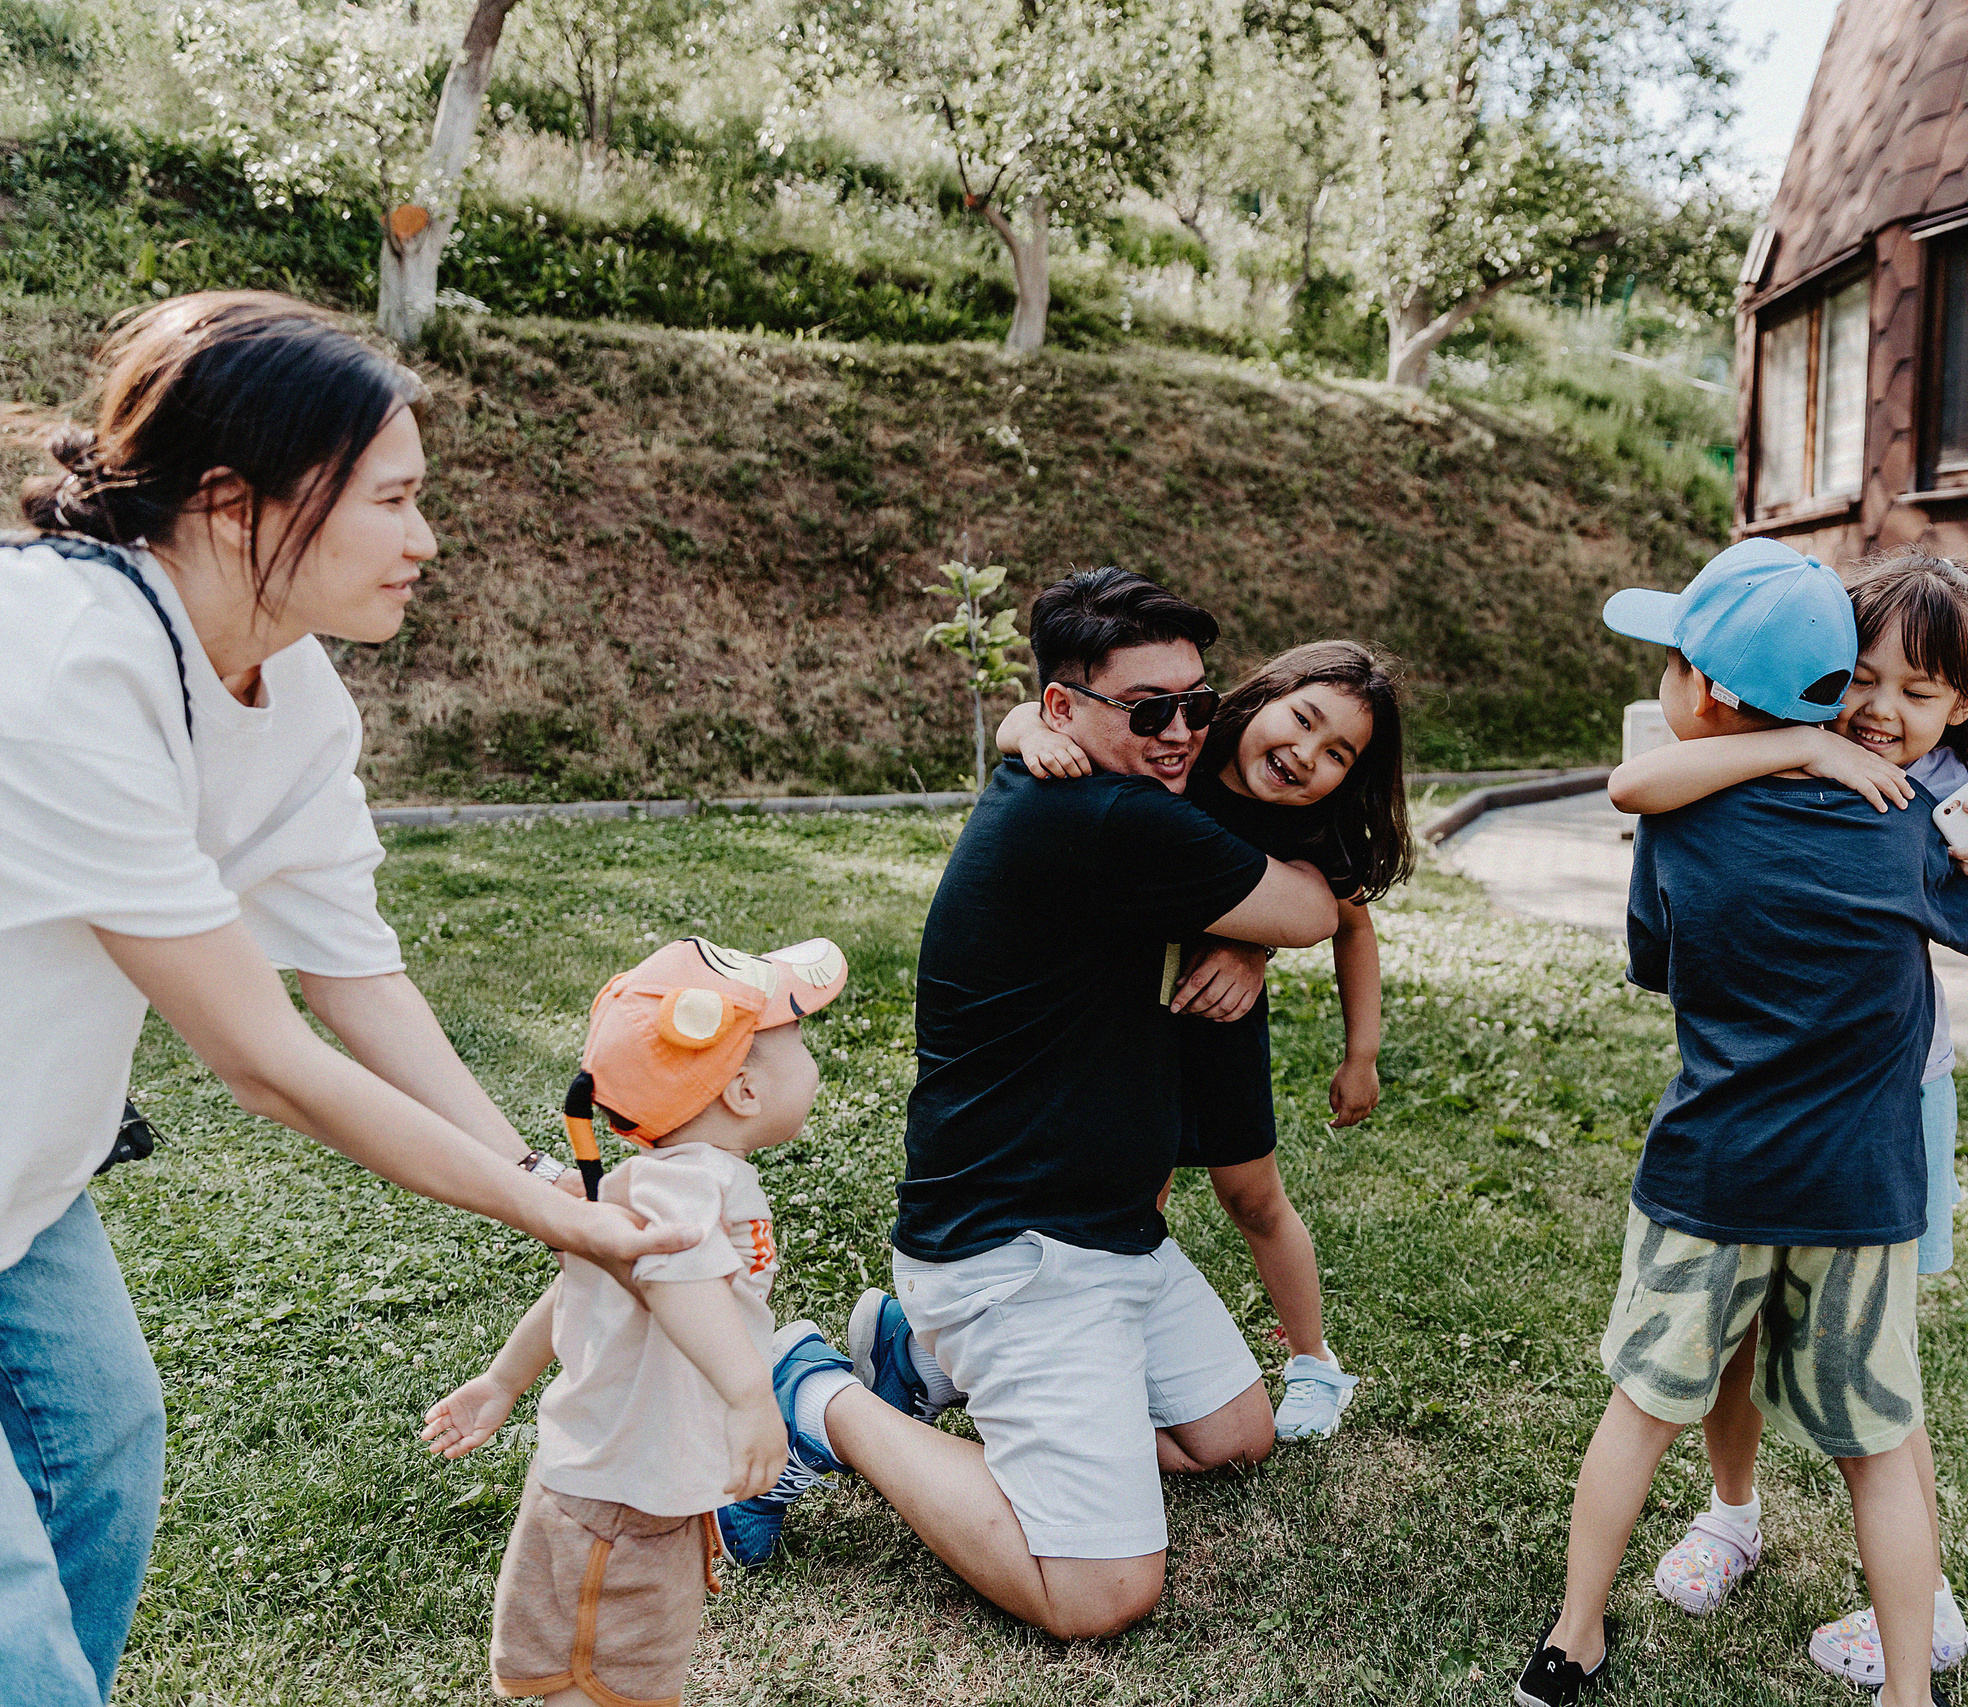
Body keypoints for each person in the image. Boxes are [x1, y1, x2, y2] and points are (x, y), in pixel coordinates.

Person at [0, 291, 691, 1707]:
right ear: (233, 501)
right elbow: (264, 1056)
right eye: (394, 499)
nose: (427, 540)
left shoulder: (292, 687)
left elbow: (352, 976)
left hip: (24, 1184)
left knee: (101, 1451)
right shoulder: (71, 659)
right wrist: (554, 1218)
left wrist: (535, 1165)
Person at [717, 568, 1340, 1637]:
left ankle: (920, 1352)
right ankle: (815, 1391)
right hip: (1018, 1249)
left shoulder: (1095, 789)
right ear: (1064, 711)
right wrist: (1251, 927)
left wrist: (1234, 932)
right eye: (1150, 711)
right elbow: (1311, 905)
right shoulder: (1106, 819)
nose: (1183, 730)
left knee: (1232, 1439)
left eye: (1199, 703)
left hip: (1108, 1234)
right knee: (1099, 1593)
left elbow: (1277, 908)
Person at [1512, 539, 1968, 1707]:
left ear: (1705, 691)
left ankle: (1572, 1640)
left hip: (1712, 1171)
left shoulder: (1678, 827)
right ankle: (1906, 1693)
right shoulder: (1915, 827)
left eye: (1666, 668)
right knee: (1880, 1443)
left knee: (1643, 1408)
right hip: (1862, 1190)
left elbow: (1657, 959)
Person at [995, 639, 1417, 1442]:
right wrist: (1030, 734)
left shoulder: (1310, 831)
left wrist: (1360, 1051)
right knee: (1132, 1200)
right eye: (1302, 719)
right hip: (1128, 1027)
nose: (1304, 755)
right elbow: (1039, 712)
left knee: (1253, 1198)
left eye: (1338, 754)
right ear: (1262, 695)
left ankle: (1316, 1361)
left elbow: (1350, 927)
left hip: (1218, 1031)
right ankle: (1112, 1347)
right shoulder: (1183, 744)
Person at [422, 936, 847, 1707]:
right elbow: (680, 1280)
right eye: (799, 1043)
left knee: (613, 1671)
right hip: (626, 1499)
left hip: (635, 1480)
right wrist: (754, 1397)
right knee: (603, 1677)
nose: (813, 1061)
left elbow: (580, 1292)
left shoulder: (664, 1183)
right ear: (743, 1092)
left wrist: (503, 1378)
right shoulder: (693, 1185)